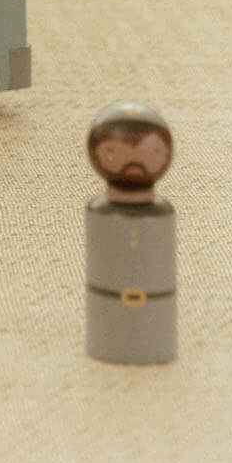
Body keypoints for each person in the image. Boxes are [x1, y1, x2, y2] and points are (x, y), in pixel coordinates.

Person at [84, 101, 176, 363]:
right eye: (116, 153)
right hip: (108, 305)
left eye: (150, 152)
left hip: (155, 308)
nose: (134, 162)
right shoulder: (100, 213)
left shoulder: (161, 215)